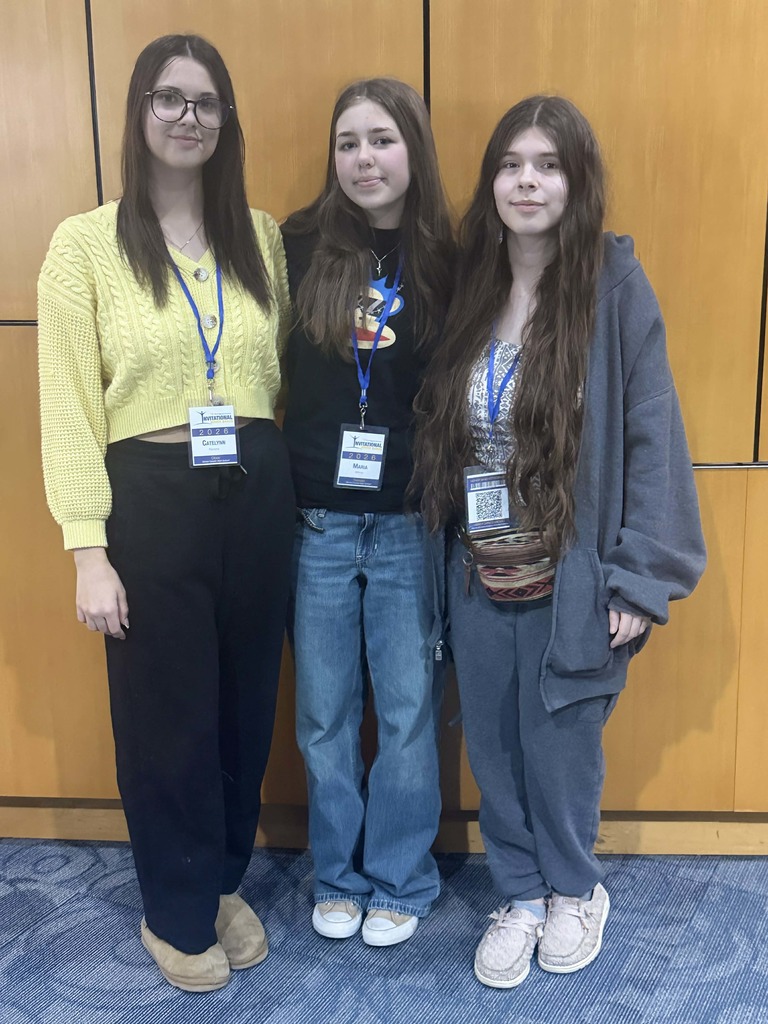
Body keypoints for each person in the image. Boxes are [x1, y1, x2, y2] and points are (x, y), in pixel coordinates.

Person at [411, 96, 705, 987]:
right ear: (492, 180)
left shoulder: (613, 287)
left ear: (576, 181)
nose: (527, 180)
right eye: (511, 163)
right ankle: (521, 891)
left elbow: (653, 434)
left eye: (547, 164)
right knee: (495, 744)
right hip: (479, 570)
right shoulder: (471, 282)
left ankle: (575, 889)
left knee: (562, 744)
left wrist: (638, 577)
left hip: (571, 577)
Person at [37, 35, 294, 992]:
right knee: (166, 716)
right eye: (168, 98)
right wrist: (86, 550)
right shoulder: (84, 244)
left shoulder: (261, 238)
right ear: (139, 113)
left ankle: (223, 879)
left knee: (243, 708)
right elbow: (67, 406)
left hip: (258, 491)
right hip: (150, 500)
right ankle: (172, 909)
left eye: (206, 102)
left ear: (227, 121)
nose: (189, 118)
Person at [280, 77, 454, 946]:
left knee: (408, 709)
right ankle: (338, 873)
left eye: (382, 140)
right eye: (348, 142)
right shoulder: (298, 244)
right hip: (314, 519)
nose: (364, 159)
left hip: (405, 522)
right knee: (323, 715)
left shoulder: (448, 258)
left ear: (412, 148)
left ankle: (400, 876)